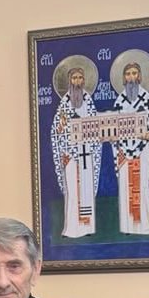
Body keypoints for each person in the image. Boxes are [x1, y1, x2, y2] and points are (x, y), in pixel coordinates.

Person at [110, 54, 149, 236]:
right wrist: (113, 138)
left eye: (134, 73)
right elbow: (113, 127)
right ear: (124, 78)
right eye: (128, 74)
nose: (131, 77)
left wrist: (147, 134)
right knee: (126, 187)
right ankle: (127, 227)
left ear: (140, 76)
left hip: (143, 151)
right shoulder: (119, 101)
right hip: (124, 151)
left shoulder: (147, 98)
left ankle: (144, 226)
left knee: (142, 186)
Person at [51, 59, 102, 238]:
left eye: (80, 78)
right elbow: (56, 131)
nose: (77, 81)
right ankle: (72, 229)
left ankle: (87, 228)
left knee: (86, 191)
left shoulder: (88, 102)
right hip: (70, 156)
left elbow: (96, 127)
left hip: (87, 154)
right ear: (69, 81)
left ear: (84, 81)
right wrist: (62, 149)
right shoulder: (64, 103)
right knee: (72, 191)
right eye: (74, 78)